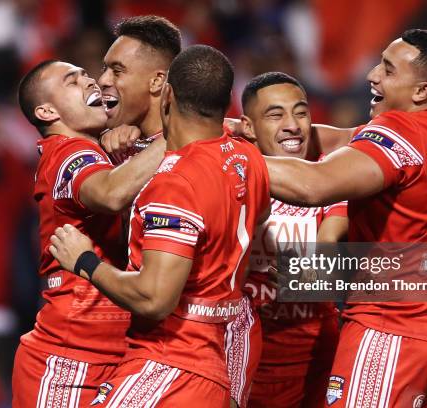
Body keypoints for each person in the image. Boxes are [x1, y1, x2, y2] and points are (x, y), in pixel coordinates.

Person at [264, 29, 427, 407]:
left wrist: (219, 156)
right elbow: (349, 139)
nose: (372, 75)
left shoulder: (401, 130)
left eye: (389, 70)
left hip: (390, 331)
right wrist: (245, 133)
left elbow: (314, 185)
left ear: (421, 92)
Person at [49, 45, 270, 407]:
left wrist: (85, 261)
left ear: (166, 92)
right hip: (223, 351)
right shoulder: (246, 156)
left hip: (170, 360)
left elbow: (153, 298)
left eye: (117, 70)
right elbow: (255, 219)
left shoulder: (174, 182)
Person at [12, 60, 165, 407]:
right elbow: (111, 194)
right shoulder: (69, 153)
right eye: (72, 81)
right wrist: (182, 131)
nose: (92, 82)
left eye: (86, 75)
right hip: (71, 358)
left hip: (120, 351)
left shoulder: (101, 153)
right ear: (47, 110)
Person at [226, 72, 347, 408]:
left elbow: (331, 240)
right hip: (243, 356)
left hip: (315, 359)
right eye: (276, 115)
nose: (293, 125)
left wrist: (314, 274)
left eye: (301, 112)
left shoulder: (331, 176)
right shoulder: (230, 176)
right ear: (248, 127)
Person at [98, 15, 181, 160]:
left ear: (156, 81)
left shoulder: (195, 149)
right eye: (104, 69)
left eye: (117, 71)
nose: (102, 80)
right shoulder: (113, 148)